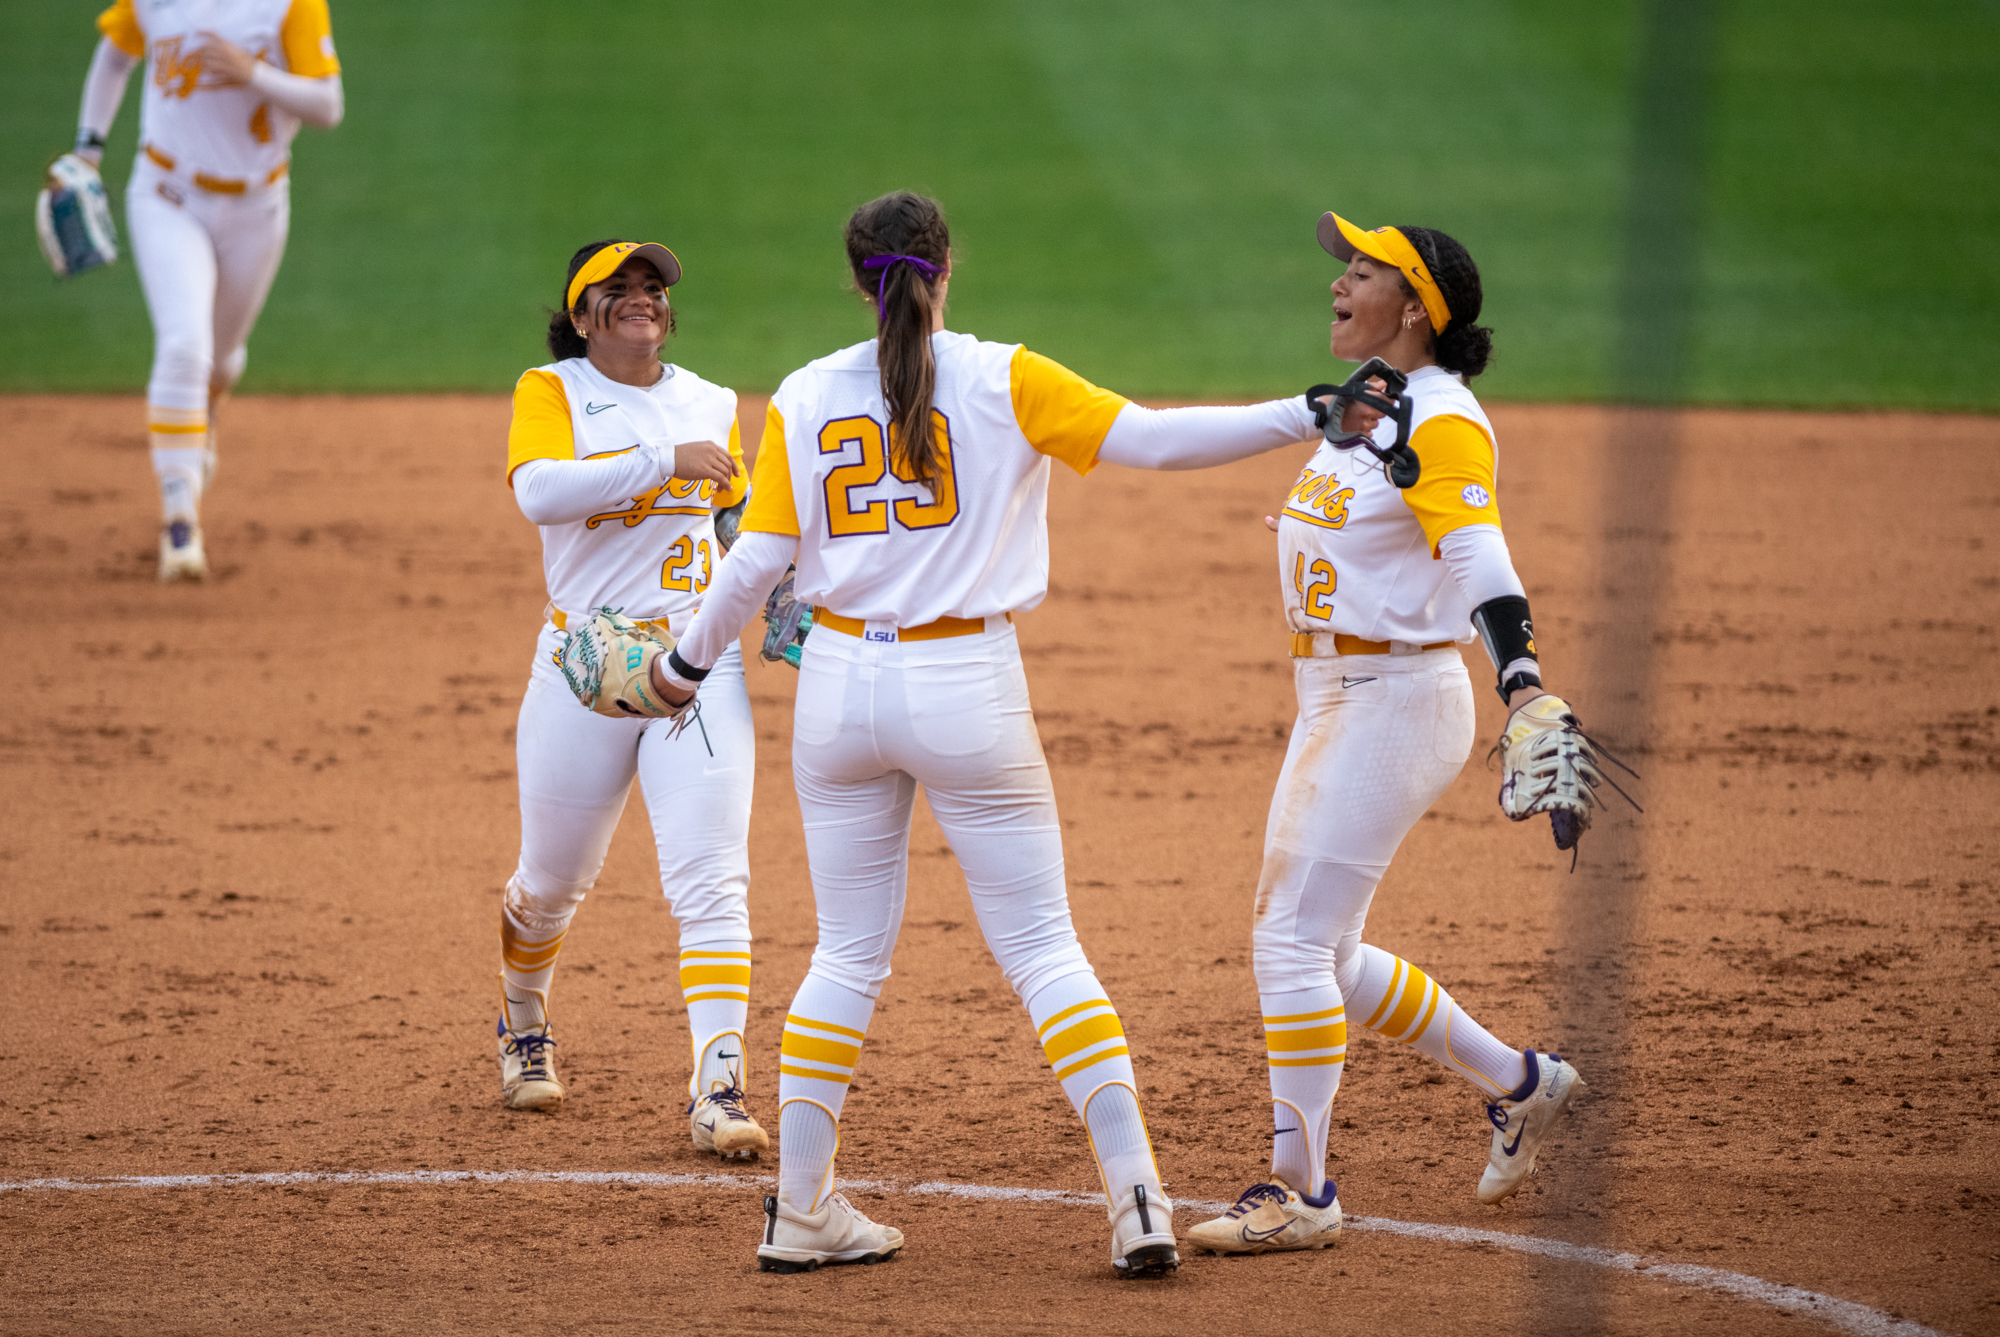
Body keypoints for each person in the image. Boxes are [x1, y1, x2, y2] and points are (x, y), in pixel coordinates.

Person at [643, 190, 1335, 1277]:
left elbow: (754, 561)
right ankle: (1136, 1198)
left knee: (845, 951)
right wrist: (1306, 410)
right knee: (1043, 946)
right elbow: (1151, 442)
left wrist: (683, 664)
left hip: (836, 688)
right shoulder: (1003, 374)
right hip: (966, 679)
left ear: (853, 277)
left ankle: (800, 1209)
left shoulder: (803, 392)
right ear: (944, 266)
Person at [1182, 213, 1589, 1257]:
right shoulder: (1375, 407)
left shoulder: (1440, 421)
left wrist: (1523, 679)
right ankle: (1520, 1082)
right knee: (1327, 946)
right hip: (1336, 697)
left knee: (1285, 936)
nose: (1339, 280)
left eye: (1363, 270)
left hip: (1393, 698)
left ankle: (1300, 1189)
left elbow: (1478, 554)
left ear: (1413, 306)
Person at [496, 239, 770, 1161]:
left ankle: (719, 1083)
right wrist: (663, 459)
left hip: (694, 656)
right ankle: (524, 1015)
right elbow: (540, 492)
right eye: (619, 291)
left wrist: (786, 579)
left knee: (712, 876)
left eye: (653, 289)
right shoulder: (554, 391)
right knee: (551, 883)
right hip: (583, 661)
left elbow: (734, 517)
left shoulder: (709, 402)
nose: (644, 300)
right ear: (582, 317)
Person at [72, 0, 344, 581]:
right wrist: (88, 150)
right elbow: (116, 57)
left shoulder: (289, 6)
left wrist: (254, 73)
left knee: (221, 358)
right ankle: (180, 521)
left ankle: (207, 411)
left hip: (258, 207)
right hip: (166, 195)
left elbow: (328, 105)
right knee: (183, 347)